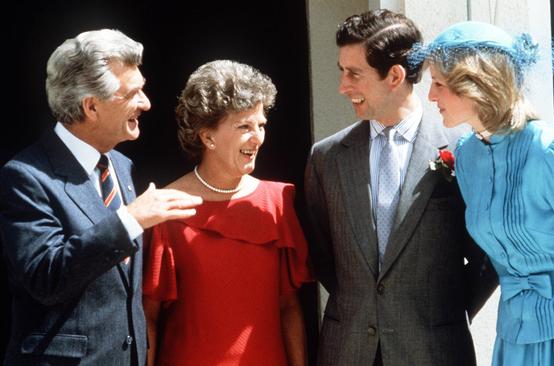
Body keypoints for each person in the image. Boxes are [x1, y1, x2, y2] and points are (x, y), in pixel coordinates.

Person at [414, 21, 554, 365]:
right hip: (515, 341)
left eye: (439, 84)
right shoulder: (467, 156)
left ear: (476, 85)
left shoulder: (552, 152)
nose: (431, 96)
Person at [303, 9, 497, 366]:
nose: (343, 86)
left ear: (394, 75)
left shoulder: (467, 151)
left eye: (354, 74)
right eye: (341, 71)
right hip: (348, 351)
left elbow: (490, 254)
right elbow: (322, 256)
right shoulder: (326, 158)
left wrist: (445, 312)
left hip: (435, 349)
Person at [0, 29, 203, 365]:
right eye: (133, 93)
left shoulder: (122, 166)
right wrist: (131, 220)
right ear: (91, 106)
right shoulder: (25, 176)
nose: (146, 103)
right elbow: (45, 278)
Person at [142, 60, 312, 366]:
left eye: (261, 125)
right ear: (207, 137)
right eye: (244, 126)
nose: (258, 137)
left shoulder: (276, 201)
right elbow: (148, 319)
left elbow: (288, 307)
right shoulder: (166, 207)